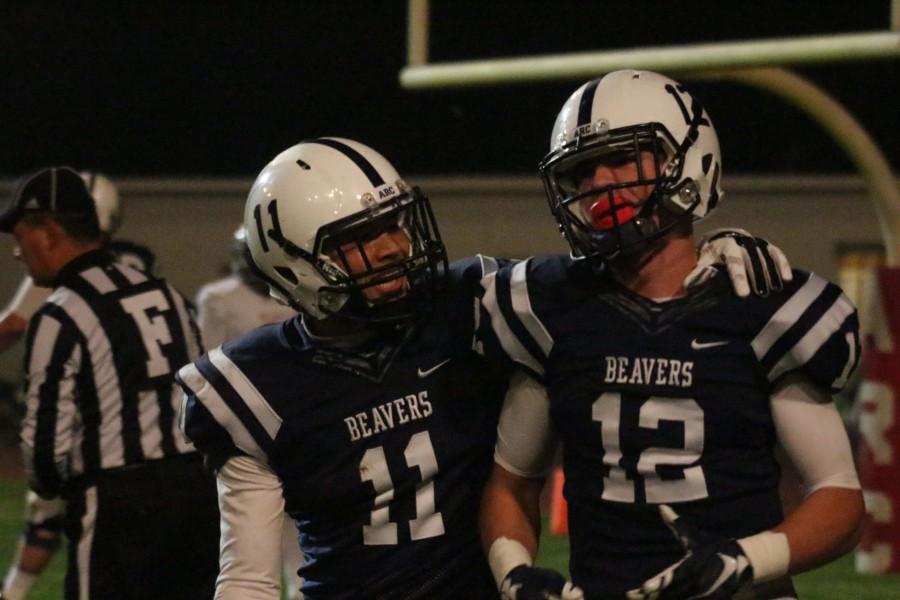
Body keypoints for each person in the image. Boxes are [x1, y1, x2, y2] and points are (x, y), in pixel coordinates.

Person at [177, 137, 791, 600]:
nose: (397, 246)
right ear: (296, 264)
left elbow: (616, 273)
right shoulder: (253, 383)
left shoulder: (474, 301)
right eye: (364, 236)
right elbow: (249, 577)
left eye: (395, 222)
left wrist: (708, 246)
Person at [479, 70, 864, 600]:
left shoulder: (762, 304)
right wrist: (514, 573)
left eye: (622, 158)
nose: (599, 183)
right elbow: (512, 483)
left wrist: (743, 561)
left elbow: (839, 500)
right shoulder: (549, 307)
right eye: (582, 170)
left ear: (689, 159)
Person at [0, 166, 218, 600]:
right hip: (195, 492)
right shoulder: (166, 292)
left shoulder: (61, 313)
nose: (16, 253)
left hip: (118, 503)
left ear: (47, 231)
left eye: (20, 235)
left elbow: (45, 448)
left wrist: (56, 490)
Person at [193, 225, 302, 599]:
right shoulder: (220, 299)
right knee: (248, 559)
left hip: (301, 427)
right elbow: (205, 369)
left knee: (303, 556)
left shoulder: (305, 293)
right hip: (247, 436)